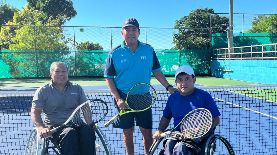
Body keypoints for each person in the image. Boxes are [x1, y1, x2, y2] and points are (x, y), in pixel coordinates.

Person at [104, 18, 175, 155]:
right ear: (122, 32)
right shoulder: (114, 53)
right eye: (127, 29)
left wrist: (168, 86)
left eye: (134, 29)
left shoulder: (148, 50)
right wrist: (118, 99)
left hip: (144, 97)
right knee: (128, 132)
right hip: (123, 97)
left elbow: (157, 71)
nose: (131, 32)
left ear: (138, 32)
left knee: (147, 133)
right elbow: (109, 78)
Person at [153, 65, 221, 155]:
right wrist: (160, 130)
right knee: (169, 144)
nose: (183, 83)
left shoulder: (204, 96)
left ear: (194, 79)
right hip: (179, 135)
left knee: (180, 148)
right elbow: (166, 117)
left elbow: (216, 119)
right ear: (176, 82)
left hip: (200, 138)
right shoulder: (173, 98)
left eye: (187, 79)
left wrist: (201, 129)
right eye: (180, 80)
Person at [31, 61, 96, 155]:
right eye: (57, 71)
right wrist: (41, 128)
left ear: (67, 73)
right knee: (70, 133)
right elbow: (35, 112)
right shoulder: (42, 91)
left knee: (87, 131)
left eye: (64, 71)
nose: (61, 74)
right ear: (51, 74)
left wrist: (90, 123)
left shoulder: (77, 88)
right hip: (55, 128)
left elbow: (85, 108)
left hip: (77, 125)